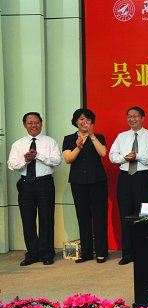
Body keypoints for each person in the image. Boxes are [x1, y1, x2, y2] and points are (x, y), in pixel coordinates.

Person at [7, 112, 61, 266]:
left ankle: (46, 253)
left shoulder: (50, 142)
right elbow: (11, 165)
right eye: (30, 123)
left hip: (45, 183)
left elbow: (57, 160)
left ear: (41, 123)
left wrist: (38, 155)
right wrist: (25, 160)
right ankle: (32, 254)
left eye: (36, 122)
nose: (33, 125)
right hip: (25, 184)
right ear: (25, 125)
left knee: (46, 219)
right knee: (28, 220)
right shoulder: (18, 144)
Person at [109, 106, 148, 265]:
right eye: (129, 116)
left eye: (135, 116)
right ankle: (128, 253)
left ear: (142, 118)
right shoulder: (121, 136)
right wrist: (125, 158)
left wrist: (137, 156)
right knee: (125, 215)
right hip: (125, 178)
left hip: (143, 178)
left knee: (144, 215)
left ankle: (144, 252)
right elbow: (112, 156)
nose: (132, 119)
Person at [62, 108, 109, 263]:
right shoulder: (69, 139)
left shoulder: (99, 137)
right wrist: (78, 147)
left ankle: (101, 252)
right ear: (76, 122)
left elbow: (103, 153)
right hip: (78, 183)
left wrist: (92, 136)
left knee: (100, 217)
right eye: (81, 119)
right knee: (83, 217)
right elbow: (68, 159)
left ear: (92, 122)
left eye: (88, 120)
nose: (84, 122)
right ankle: (87, 252)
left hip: (98, 182)